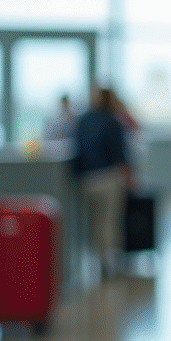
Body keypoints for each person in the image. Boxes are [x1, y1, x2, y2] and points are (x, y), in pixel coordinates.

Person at [71, 85, 132, 278]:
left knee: (92, 221)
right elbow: (120, 155)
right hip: (108, 178)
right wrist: (130, 178)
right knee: (109, 221)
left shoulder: (82, 120)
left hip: (86, 179)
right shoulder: (112, 121)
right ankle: (108, 262)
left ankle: (96, 258)